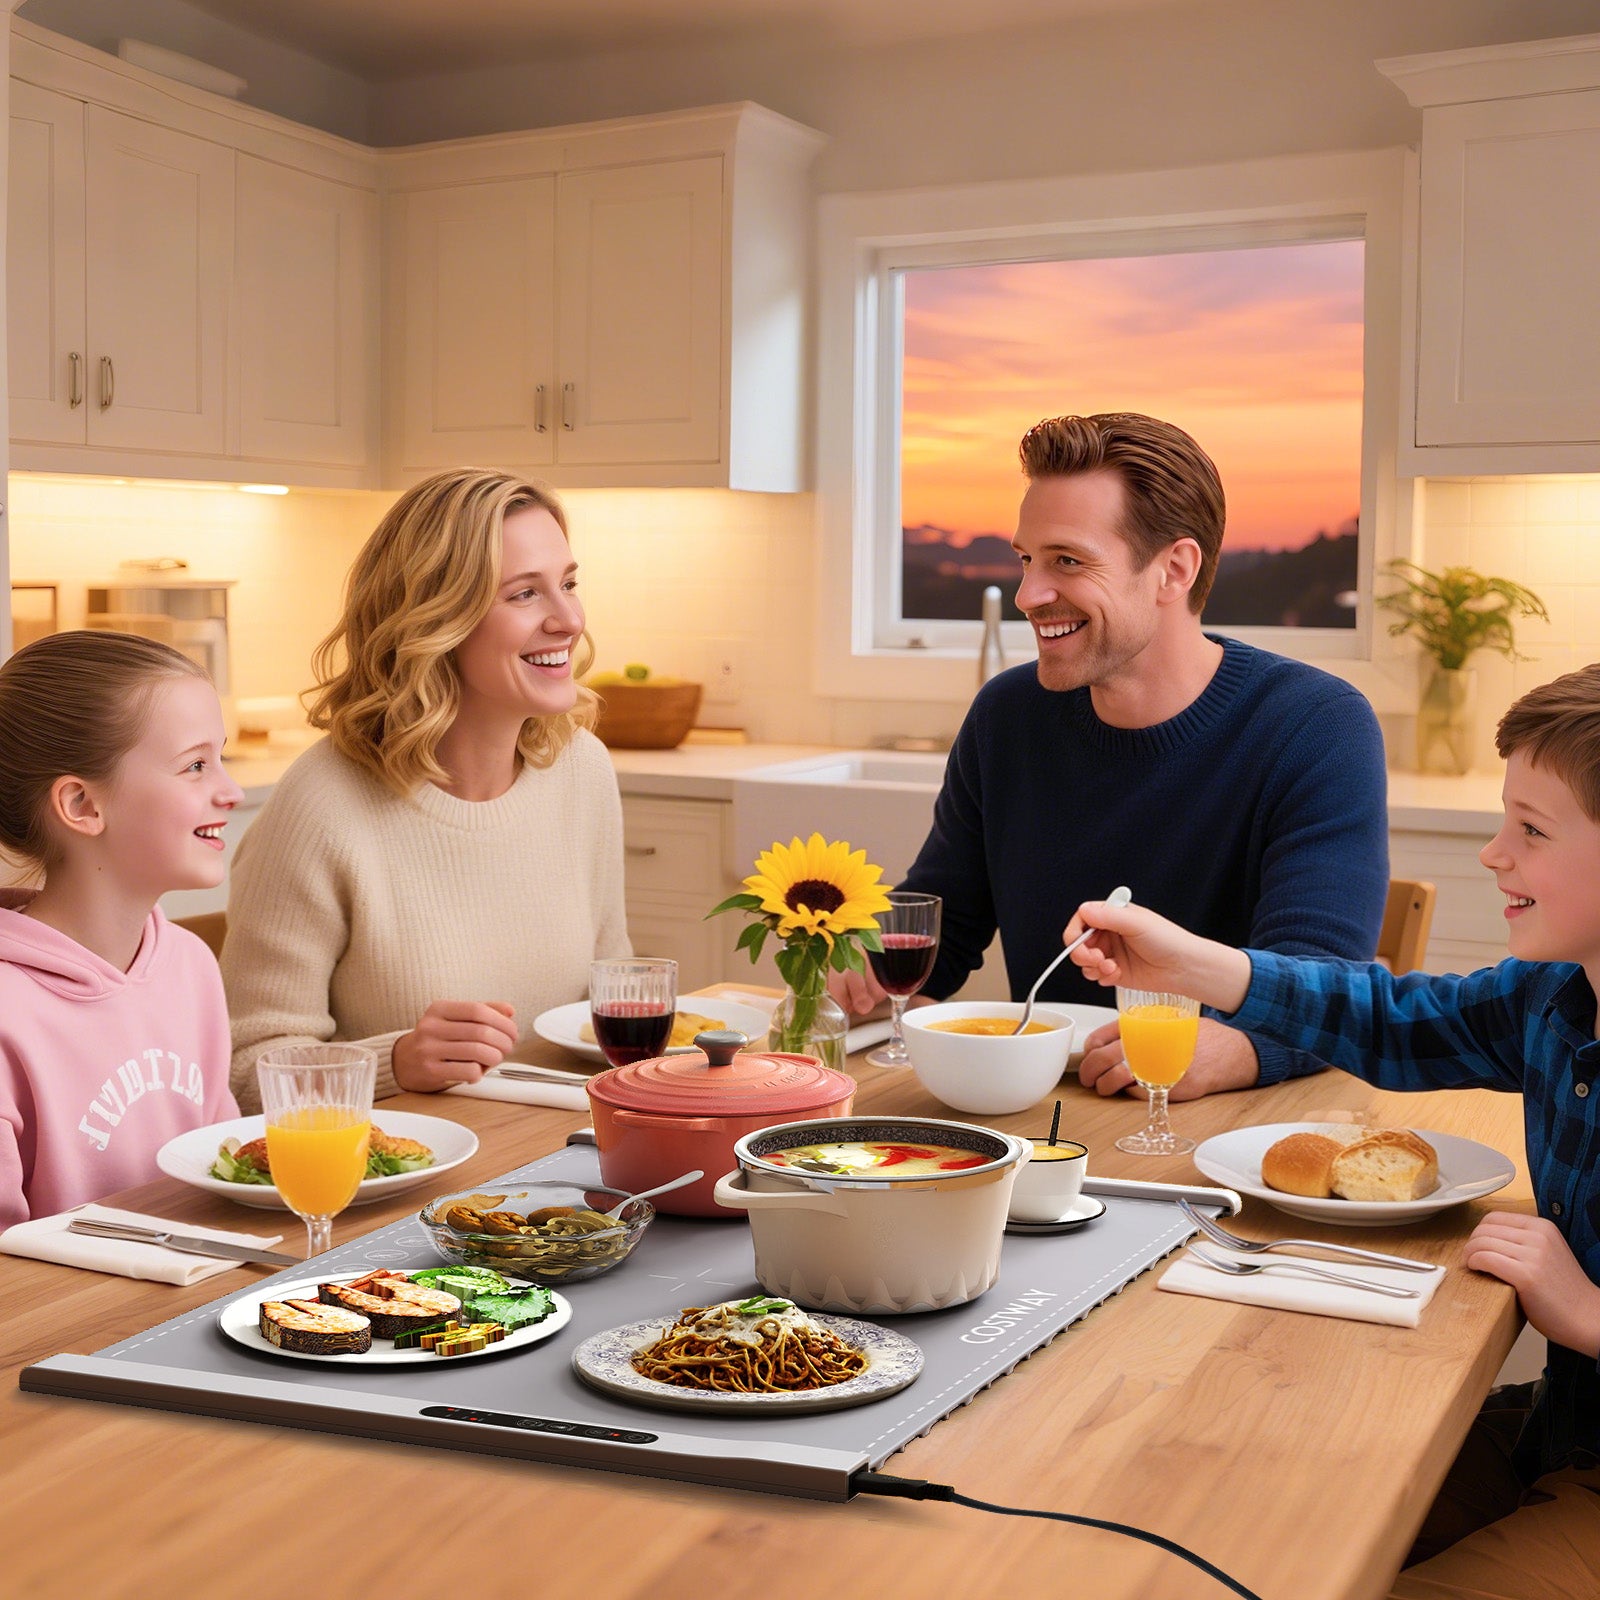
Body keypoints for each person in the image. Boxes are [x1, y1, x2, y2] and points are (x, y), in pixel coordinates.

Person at [1063, 662, 1600, 1600]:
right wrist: (1198, 966)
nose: (1493, 853)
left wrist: (1591, 1313)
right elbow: (1391, 1020)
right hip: (1556, 1432)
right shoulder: (1552, 995)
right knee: (1245, 1530)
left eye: (1531, 830)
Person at [833, 411, 1389, 1098]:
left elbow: (1324, 983)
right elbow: (942, 928)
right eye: (1026, 560)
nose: (1028, 595)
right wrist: (860, 966)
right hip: (1045, 1116)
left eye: (1067, 560)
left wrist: (1236, 1050)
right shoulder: (1007, 716)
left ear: (1173, 570)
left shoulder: (1314, 725)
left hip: (1235, 1126)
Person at [222, 468, 629, 1112]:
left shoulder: (582, 770)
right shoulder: (323, 803)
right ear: (437, 618)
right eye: (525, 595)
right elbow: (243, 1074)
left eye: (569, 585)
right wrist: (396, 1062)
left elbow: (610, 1005)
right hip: (400, 1186)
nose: (570, 619)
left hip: (561, 1162)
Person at [0, 631, 243, 1227]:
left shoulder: (189, 964)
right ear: (82, 805)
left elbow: (232, 1172)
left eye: (222, 757)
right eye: (195, 765)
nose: (231, 791)